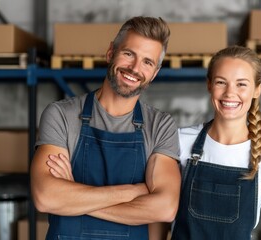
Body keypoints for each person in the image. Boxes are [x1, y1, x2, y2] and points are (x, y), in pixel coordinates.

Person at [30, 16, 181, 240]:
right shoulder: (62, 115)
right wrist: (132, 191)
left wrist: (74, 197)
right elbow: (46, 197)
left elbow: (165, 208)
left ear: (155, 72)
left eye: (147, 62)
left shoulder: (160, 126)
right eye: (129, 54)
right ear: (111, 53)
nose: (135, 68)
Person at [170, 45, 261, 240]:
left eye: (241, 84)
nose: (230, 93)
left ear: (257, 89)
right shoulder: (180, 140)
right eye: (221, 82)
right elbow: (159, 218)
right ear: (209, 85)